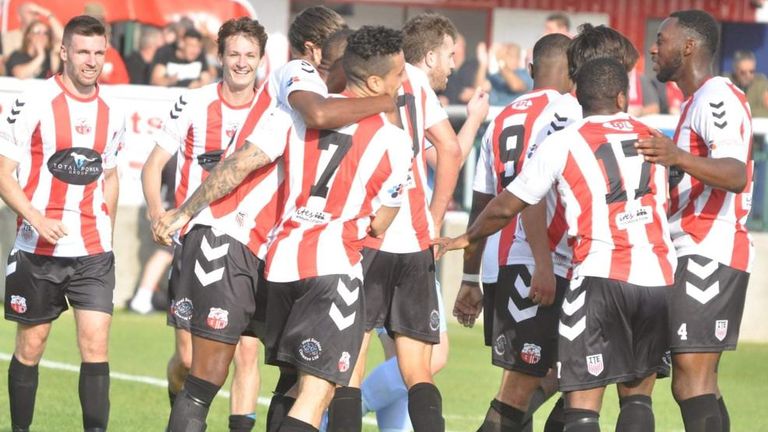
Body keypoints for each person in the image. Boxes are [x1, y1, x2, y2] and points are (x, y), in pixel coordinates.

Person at [153, 6, 398, 431]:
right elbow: (243, 161)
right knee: (205, 376)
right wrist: (184, 212)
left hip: (274, 252)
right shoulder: (297, 79)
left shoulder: (328, 111)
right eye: (343, 58)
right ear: (316, 52)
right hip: (227, 236)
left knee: (289, 379)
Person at [440, 56, 675, 432]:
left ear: (578, 95)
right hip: (660, 278)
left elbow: (507, 204)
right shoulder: (654, 137)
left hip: (599, 275)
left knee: (582, 403)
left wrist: (466, 237)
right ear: (622, 97)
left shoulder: (565, 141)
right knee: (637, 397)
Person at [142, 17, 270, 432]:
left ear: (261, 60)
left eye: (250, 55)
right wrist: (155, 213)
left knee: (247, 352)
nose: (241, 62)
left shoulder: (272, 109)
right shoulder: (195, 102)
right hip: (196, 242)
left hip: (252, 245)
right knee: (188, 360)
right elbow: (154, 164)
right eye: (234, 53)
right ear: (220, 56)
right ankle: (180, 401)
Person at [1, 15, 125, 432]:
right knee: (31, 346)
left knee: (96, 345)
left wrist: (105, 225)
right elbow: (3, 172)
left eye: (98, 52)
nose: (90, 61)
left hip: (92, 251)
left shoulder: (114, 110)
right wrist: (36, 218)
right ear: (64, 52)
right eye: (82, 51)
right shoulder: (35, 100)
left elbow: (109, 174)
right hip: (38, 249)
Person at [641, 9, 754, 432]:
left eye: (662, 40)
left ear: (689, 47)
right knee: (696, 381)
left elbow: (735, 172)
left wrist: (677, 158)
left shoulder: (717, 95)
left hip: (711, 245)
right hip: (692, 247)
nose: (653, 48)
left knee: (692, 378)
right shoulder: (695, 101)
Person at [457, 33, 574, 432]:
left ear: (529, 70)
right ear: (574, 72)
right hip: (542, 260)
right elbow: (534, 192)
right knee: (526, 385)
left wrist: (470, 277)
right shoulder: (570, 111)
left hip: (498, 264)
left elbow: (481, 203)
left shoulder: (500, 119)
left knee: (544, 375)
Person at [730, 50, 768, 118]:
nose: (748, 76)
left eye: (751, 72)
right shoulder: (726, 83)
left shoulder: (761, 83)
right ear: (735, 70)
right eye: (743, 72)